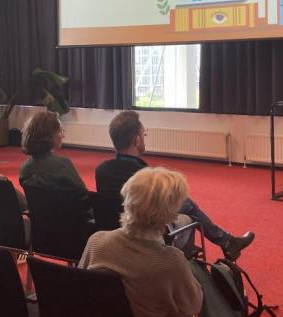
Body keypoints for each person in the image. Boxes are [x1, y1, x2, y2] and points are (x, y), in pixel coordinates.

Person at [80, 167, 203, 317]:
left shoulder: (97, 241)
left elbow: (81, 287)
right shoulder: (170, 261)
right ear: (170, 214)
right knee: (178, 313)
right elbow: (193, 305)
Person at [96, 111, 254, 261]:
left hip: (113, 236)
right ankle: (206, 252)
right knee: (187, 208)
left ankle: (227, 242)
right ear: (137, 140)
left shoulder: (101, 171)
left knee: (185, 204)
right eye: (143, 134)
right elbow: (156, 212)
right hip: (146, 236)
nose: (144, 138)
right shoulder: (144, 177)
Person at [19, 111, 87, 193]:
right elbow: (82, 192)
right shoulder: (62, 165)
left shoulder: (25, 168)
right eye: (60, 131)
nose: (63, 135)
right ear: (49, 135)